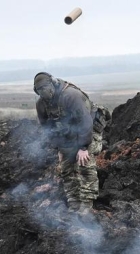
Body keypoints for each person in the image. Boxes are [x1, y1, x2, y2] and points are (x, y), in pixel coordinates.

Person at [34, 72, 99, 214]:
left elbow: (85, 122)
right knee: (66, 169)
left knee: (84, 164)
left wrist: (83, 147)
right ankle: (74, 204)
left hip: (88, 129)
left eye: (46, 88)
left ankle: (87, 205)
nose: (44, 92)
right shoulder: (41, 104)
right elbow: (48, 128)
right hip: (67, 134)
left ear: (53, 84)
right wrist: (59, 148)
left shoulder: (71, 96)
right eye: (40, 91)